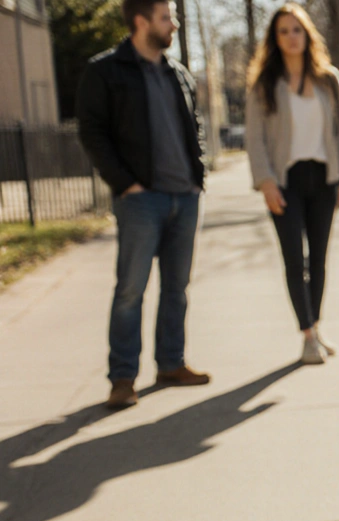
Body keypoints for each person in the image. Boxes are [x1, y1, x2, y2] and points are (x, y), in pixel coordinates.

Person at [77, 0, 210, 410]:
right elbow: (92, 132)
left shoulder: (178, 74)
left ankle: (171, 363)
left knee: (177, 288)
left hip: (183, 196)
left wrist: (196, 177)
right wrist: (125, 184)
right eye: (166, 16)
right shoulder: (105, 71)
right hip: (140, 200)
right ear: (141, 21)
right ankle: (123, 377)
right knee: (131, 289)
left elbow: (195, 128)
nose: (175, 23)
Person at [245, 3, 339, 365]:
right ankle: (308, 336)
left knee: (319, 259)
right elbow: (256, 137)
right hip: (285, 181)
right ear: (274, 39)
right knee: (295, 260)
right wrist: (265, 183)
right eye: (283, 31)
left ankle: (316, 327)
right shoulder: (265, 83)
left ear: (307, 34)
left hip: (323, 177)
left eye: (296, 29)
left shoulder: (329, 79)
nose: (291, 37)